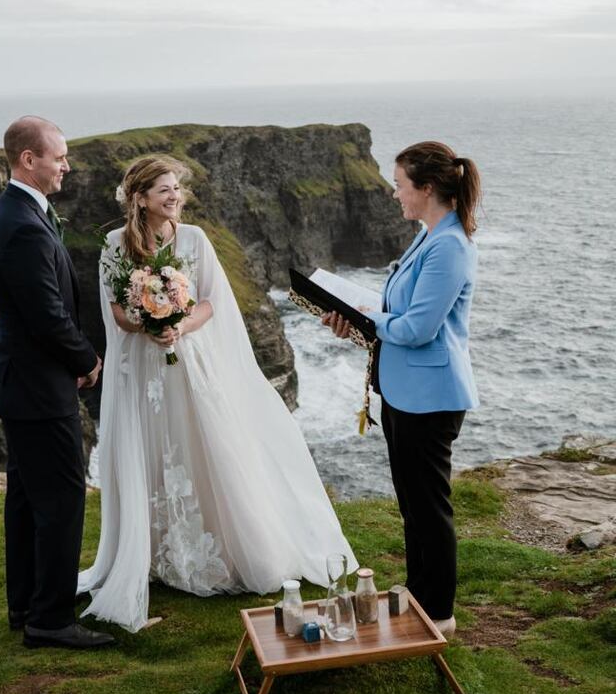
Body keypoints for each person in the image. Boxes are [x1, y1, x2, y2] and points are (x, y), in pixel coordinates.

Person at [78, 154, 356, 632]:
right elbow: (116, 313)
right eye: (164, 190)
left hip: (188, 360)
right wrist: (149, 324)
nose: (175, 197)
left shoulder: (195, 239)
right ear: (140, 199)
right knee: (152, 448)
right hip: (144, 367)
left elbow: (211, 302)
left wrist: (177, 326)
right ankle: (155, 553)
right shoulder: (114, 246)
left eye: (177, 189)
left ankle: (215, 548)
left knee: (199, 445)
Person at [323, 141, 481, 638]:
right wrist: (359, 319)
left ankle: (439, 614)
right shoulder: (428, 234)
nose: (394, 194)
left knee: (429, 507)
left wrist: (366, 316)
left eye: (399, 185)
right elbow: (398, 314)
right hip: (404, 389)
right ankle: (419, 595)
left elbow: (417, 329)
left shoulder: (451, 246)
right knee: (412, 503)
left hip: (430, 397)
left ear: (426, 188)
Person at [0, 116, 114, 650]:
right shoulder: (20, 226)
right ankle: (51, 620)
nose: (67, 165)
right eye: (59, 156)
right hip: (38, 387)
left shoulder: (21, 213)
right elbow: (47, 315)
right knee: (60, 498)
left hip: (23, 380)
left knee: (27, 497)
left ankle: (27, 603)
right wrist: (87, 359)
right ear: (28, 159)